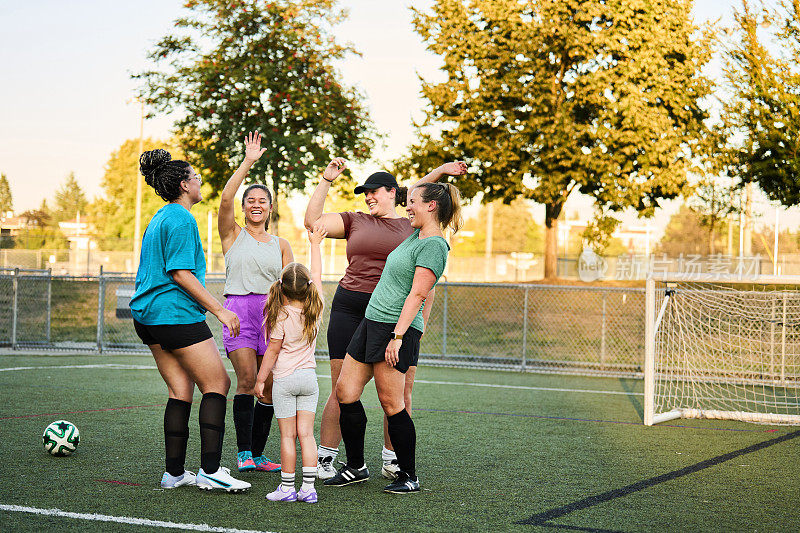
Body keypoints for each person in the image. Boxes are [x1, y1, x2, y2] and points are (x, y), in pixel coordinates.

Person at [304, 159, 467, 480]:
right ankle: (342, 462)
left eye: (374, 191)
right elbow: (314, 222)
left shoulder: (423, 235)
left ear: (398, 195)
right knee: (344, 389)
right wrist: (326, 179)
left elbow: (419, 292)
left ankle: (400, 467)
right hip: (361, 317)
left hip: (394, 322)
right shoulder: (382, 226)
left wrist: (401, 335)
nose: (368, 197)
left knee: (394, 399)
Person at [130, 148, 250, 492]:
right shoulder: (182, 218)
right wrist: (221, 310)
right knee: (218, 385)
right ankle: (210, 470)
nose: (200, 181)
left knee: (180, 389)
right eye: (195, 177)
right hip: (173, 314)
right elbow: (180, 273)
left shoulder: (161, 216)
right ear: (185, 185)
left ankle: (174, 473)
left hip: (147, 316)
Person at [218, 132, 293, 473]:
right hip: (239, 313)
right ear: (245, 206)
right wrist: (248, 162)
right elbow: (224, 200)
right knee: (248, 381)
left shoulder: (281, 243)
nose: (256, 205)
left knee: (268, 388)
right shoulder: (232, 233)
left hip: (272, 315)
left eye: (262, 200)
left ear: (270, 207)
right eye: (251, 200)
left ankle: (259, 455)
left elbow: (293, 284)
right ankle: (243, 453)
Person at [254, 223, 327, 503]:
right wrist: (315, 244)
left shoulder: (280, 316)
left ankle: (286, 489)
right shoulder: (315, 309)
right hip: (309, 380)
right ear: (308, 287)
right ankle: (308, 489)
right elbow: (317, 274)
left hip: (284, 381)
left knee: (288, 437)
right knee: (307, 435)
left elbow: (271, 353)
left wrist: (261, 380)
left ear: (281, 288)